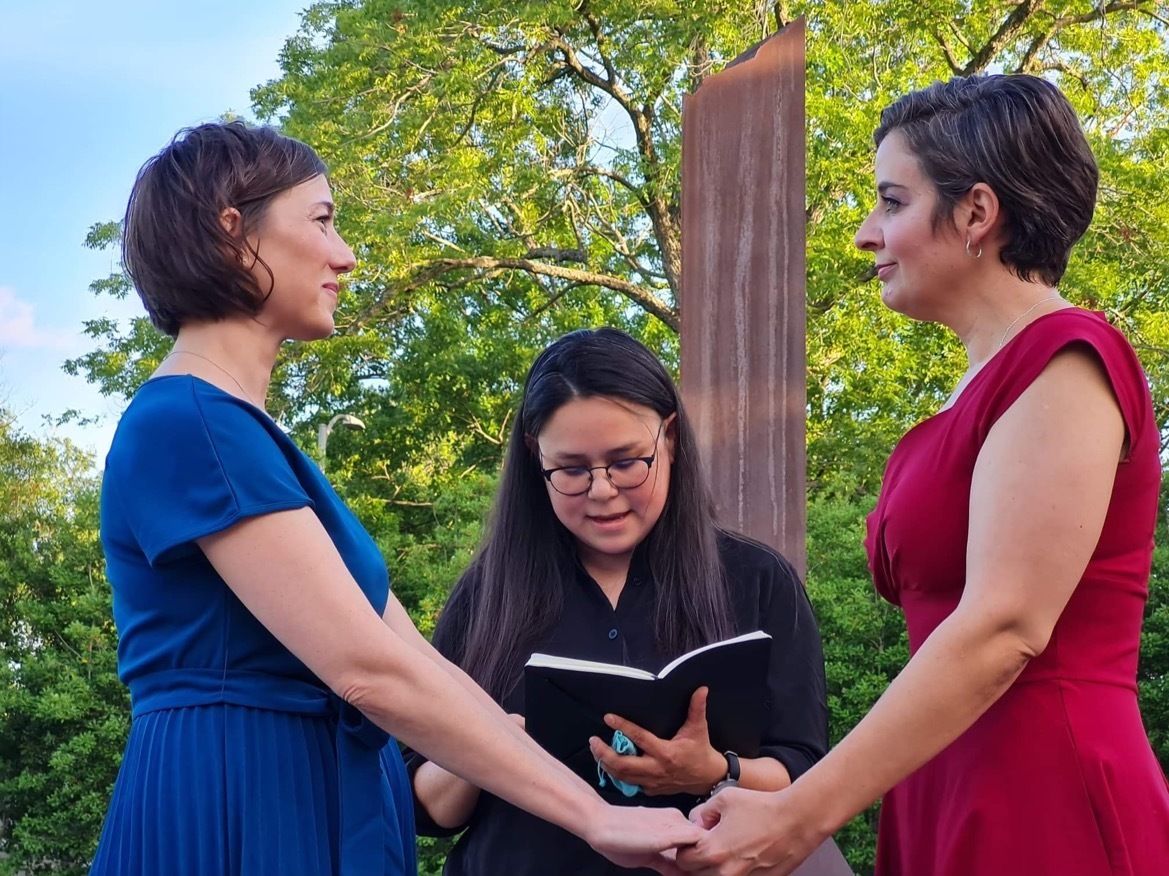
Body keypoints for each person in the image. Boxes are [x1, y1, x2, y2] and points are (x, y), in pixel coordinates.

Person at [89, 122, 705, 876]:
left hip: (298, 794)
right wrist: (596, 817)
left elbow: (417, 665)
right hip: (239, 800)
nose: (345, 254)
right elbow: (367, 670)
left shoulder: (238, 435)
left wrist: (593, 808)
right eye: (322, 220)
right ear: (233, 235)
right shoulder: (192, 425)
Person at [674, 73, 1169, 876]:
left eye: (891, 202)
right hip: (944, 779)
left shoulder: (1065, 359)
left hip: (1042, 795)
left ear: (976, 213)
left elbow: (1005, 626)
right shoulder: (973, 393)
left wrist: (798, 814)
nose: (864, 235)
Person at [405, 327, 828, 875]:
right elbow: (424, 804)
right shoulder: (488, 594)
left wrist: (714, 770)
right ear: (536, 459)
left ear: (669, 438)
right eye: (572, 470)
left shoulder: (756, 579)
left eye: (628, 461)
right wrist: (490, 745)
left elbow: (805, 774)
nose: (602, 491)